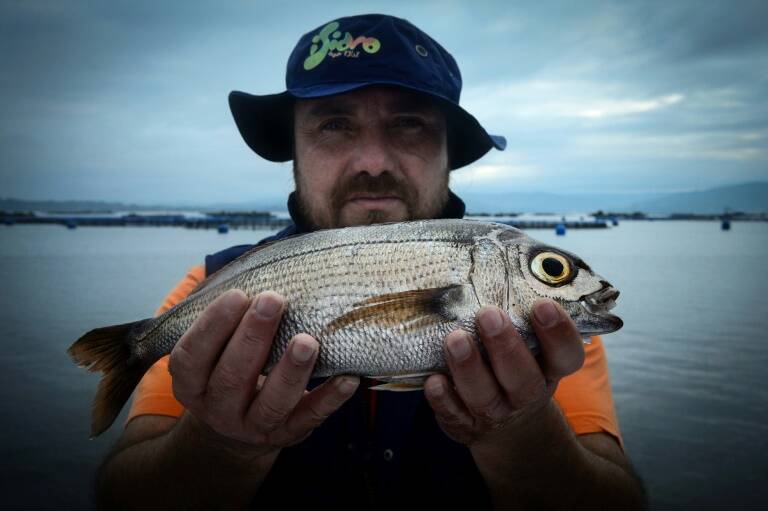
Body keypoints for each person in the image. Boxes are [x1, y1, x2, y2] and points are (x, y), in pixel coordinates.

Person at [95, 14, 645, 510]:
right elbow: (120, 497)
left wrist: (522, 432)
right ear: (294, 146)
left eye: (409, 124)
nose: (374, 162)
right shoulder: (210, 285)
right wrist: (220, 445)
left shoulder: (545, 323)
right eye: (334, 124)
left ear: (450, 151)